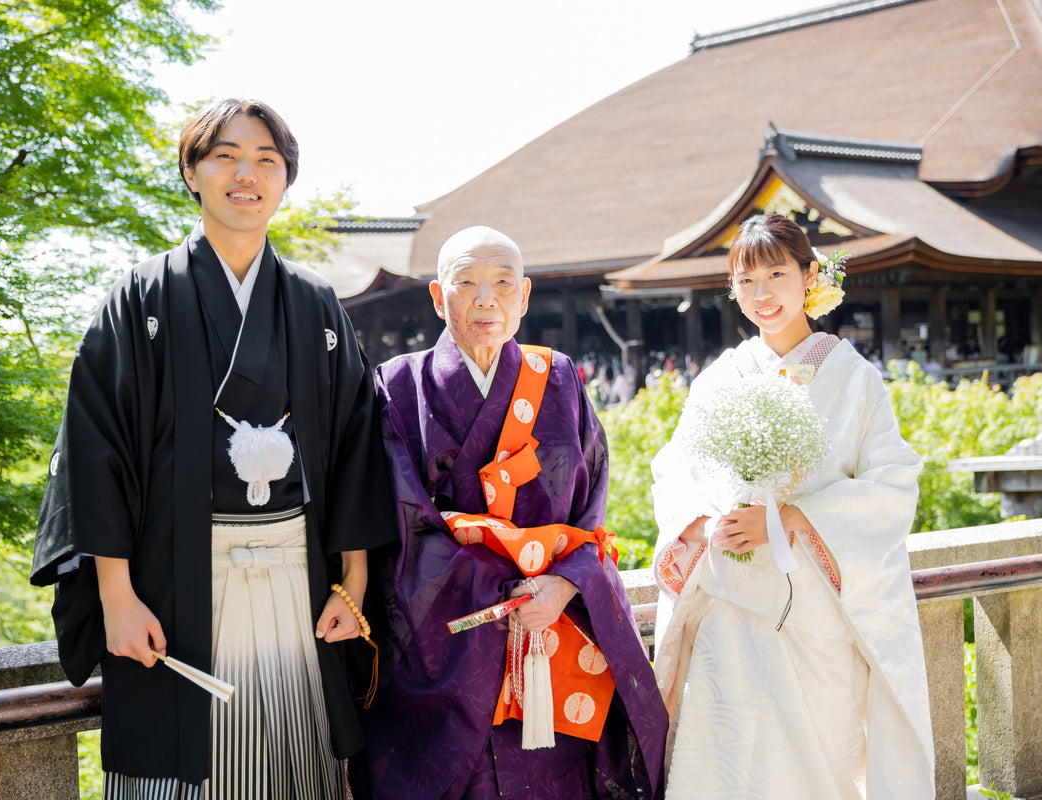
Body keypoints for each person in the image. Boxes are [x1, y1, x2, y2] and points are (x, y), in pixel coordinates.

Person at [30, 98, 398, 799]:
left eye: (266, 160)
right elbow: (96, 449)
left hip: (298, 579)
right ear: (191, 172)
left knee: (298, 768)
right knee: (179, 774)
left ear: (285, 181)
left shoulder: (316, 303)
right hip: (173, 584)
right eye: (224, 155)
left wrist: (352, 585)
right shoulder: (140, 297)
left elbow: (356, 447)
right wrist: (116, 598)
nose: (246, 174)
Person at [351, 226, 667, 800]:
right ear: (437, 295)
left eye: (501, 283)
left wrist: (565, 585)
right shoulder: (398, 385)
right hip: (448, 635)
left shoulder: (562, 378)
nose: (485, 300)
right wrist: (505, 589)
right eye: (466, 282)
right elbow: (403, 520)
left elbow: (591, 501)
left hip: (553, 625)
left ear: (524, 297)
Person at [649, 213, 934, 798]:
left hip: (814, 608)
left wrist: (793, 517)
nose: (761, 295)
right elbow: (675, 469)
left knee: (810, 765)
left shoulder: (853, 377)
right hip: (729, 604)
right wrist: (706, 523)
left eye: (775, 274)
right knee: (720, 761)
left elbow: (893, 480)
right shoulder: (720, 378)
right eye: (745, 282)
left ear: (808, 275)